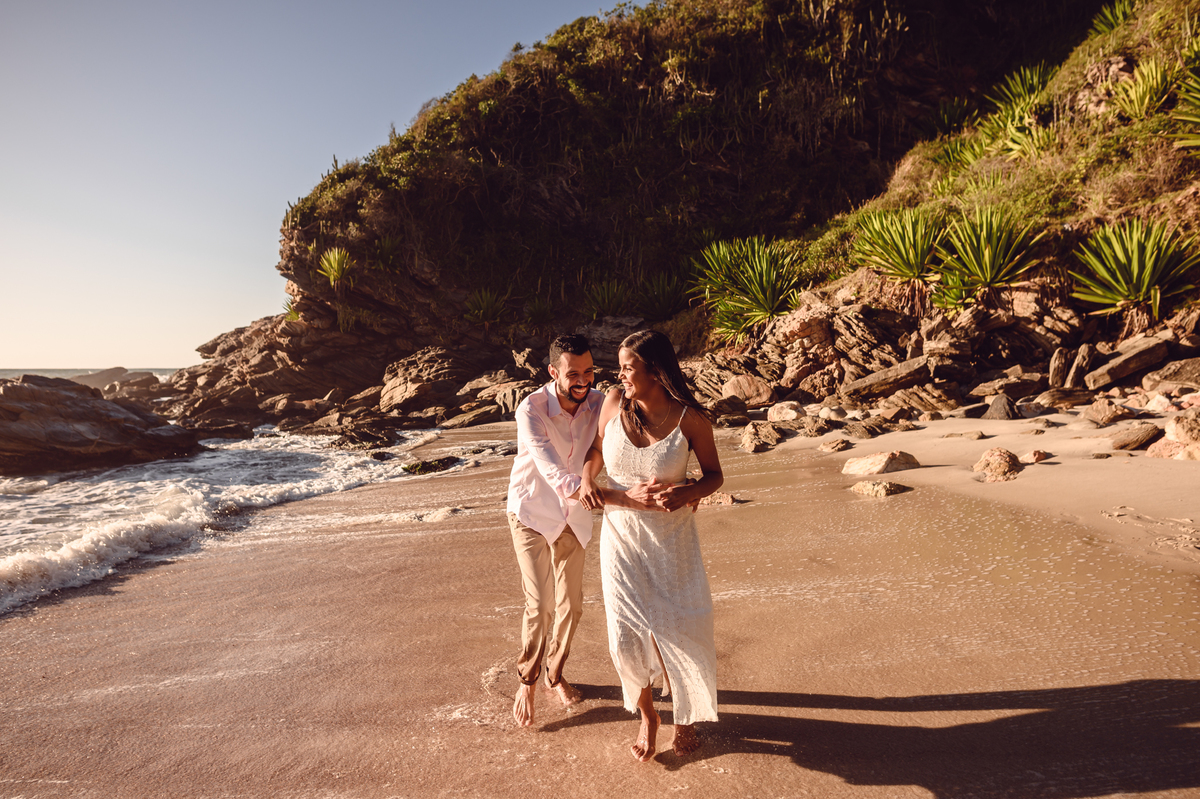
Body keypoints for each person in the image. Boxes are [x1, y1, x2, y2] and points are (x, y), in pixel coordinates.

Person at [582, 329, 724, 761]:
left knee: (679, 630)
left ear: (656, 372)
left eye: (629, 367)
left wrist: (687, 493)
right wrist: (589, 478)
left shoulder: (690, 419)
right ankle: (647, 715)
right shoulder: (611, 403)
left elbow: (715, 475)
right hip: (621, 538)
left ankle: (685, 718)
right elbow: (594, 449)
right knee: (625, 635)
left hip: (672, 540)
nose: (621, 374)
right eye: (621, 366)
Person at [506, 334, 605, 727]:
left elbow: (606, 444)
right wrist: (586, 490)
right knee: (541, 605)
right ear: (553, 372)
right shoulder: (531, 408)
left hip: (574, 518)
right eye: (573, 374)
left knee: (572, 606)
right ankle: (527, 679)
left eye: (589, 372)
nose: (583, 382)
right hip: (531, 511)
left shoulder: (599, 403)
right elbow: (549, 467)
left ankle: (554, 674)